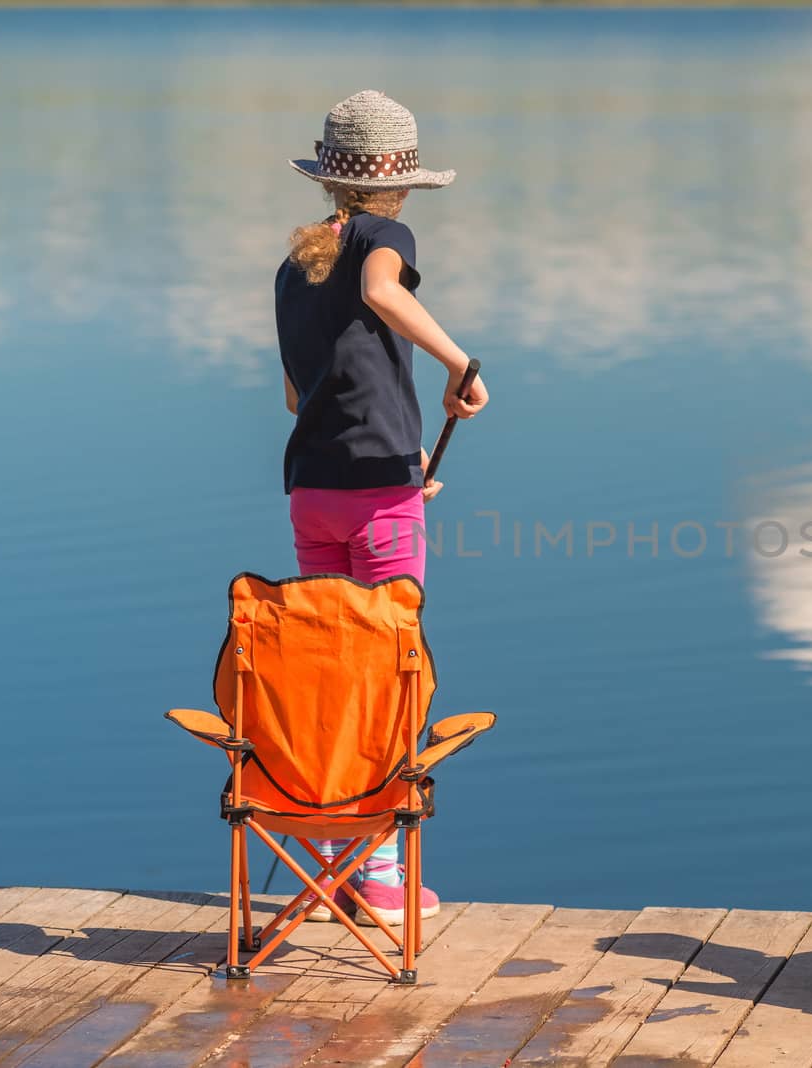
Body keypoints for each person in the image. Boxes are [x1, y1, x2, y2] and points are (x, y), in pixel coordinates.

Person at [276, 89, 488, 927]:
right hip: (376, 496)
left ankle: (327, 869)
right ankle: (385, 879)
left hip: (314, 494)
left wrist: (404, 473)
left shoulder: (295, 263)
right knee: (392, 681)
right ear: (398, 187)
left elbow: (300, 397)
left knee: (329, 675)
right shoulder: (383, 239)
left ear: (332, 179)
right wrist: (459, 363)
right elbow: (383, 292)